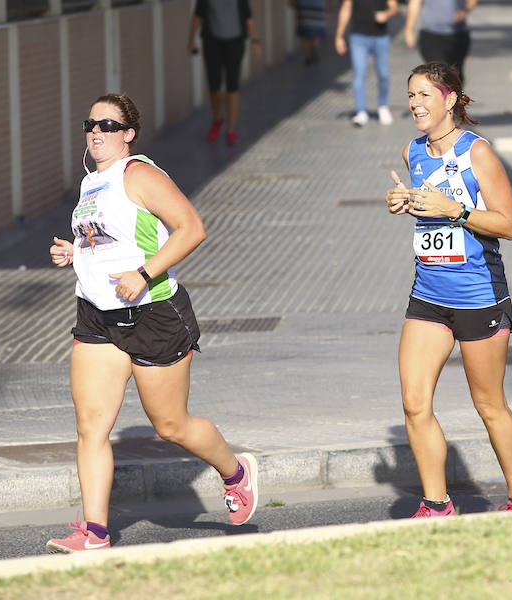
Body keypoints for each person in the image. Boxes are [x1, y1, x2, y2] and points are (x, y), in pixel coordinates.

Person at [45, 94, 258, 553]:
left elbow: (191, 228)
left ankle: (235, 472)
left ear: (128, 133)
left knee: (171, 425)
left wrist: (143, 275)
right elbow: (109, 241)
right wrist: (75, 251)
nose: (96, 131)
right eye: (90, 123)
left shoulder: (139, 174)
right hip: (97, 316)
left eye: (108, 124)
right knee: (90, 428)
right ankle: (96, 532)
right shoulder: (90, 184)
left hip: (154, 314)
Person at [385, 62, 512, 517]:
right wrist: (403, 202)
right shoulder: (412, 152)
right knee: (414, 403)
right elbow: (425, 208)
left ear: (450, 99)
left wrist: (453, 210)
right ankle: (436, 505)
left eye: (424, 95)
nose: (414, 104)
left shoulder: (479, 154)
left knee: (489, 404)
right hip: (428, 295)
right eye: (410, 95)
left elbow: (508, 225)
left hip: (479, 297)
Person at [188, 0, 262, 145]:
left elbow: (247, 15)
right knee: (214, 86)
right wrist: (191, 40)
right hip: (212, 42)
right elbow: (198, 15)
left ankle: (231, 129)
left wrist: (255, 40)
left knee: (233, 85)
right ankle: (217, 119)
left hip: (235, 42)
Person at [335, 0, 399, 127]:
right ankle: (361, 111)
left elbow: (394, 8)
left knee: (383, 74)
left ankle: (383, 107)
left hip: (380, 37)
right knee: (359, 74)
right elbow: (346, 9)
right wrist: (339, 35)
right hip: (358, 37)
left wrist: (386, 14)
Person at [404, 0, 477, 83]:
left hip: (458, 34)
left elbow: (472, 2)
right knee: (439, 73)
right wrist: (408, 30)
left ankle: (456, 94)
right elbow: (414, 3)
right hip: (431, 35)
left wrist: (465, 10)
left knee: (456, 76)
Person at [290, 0, 328, 66]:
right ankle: (314, 47)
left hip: (304, 9)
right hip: (318, 9)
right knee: (316, 33)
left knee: (305, 35)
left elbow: (292, 3)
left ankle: (308, 56)